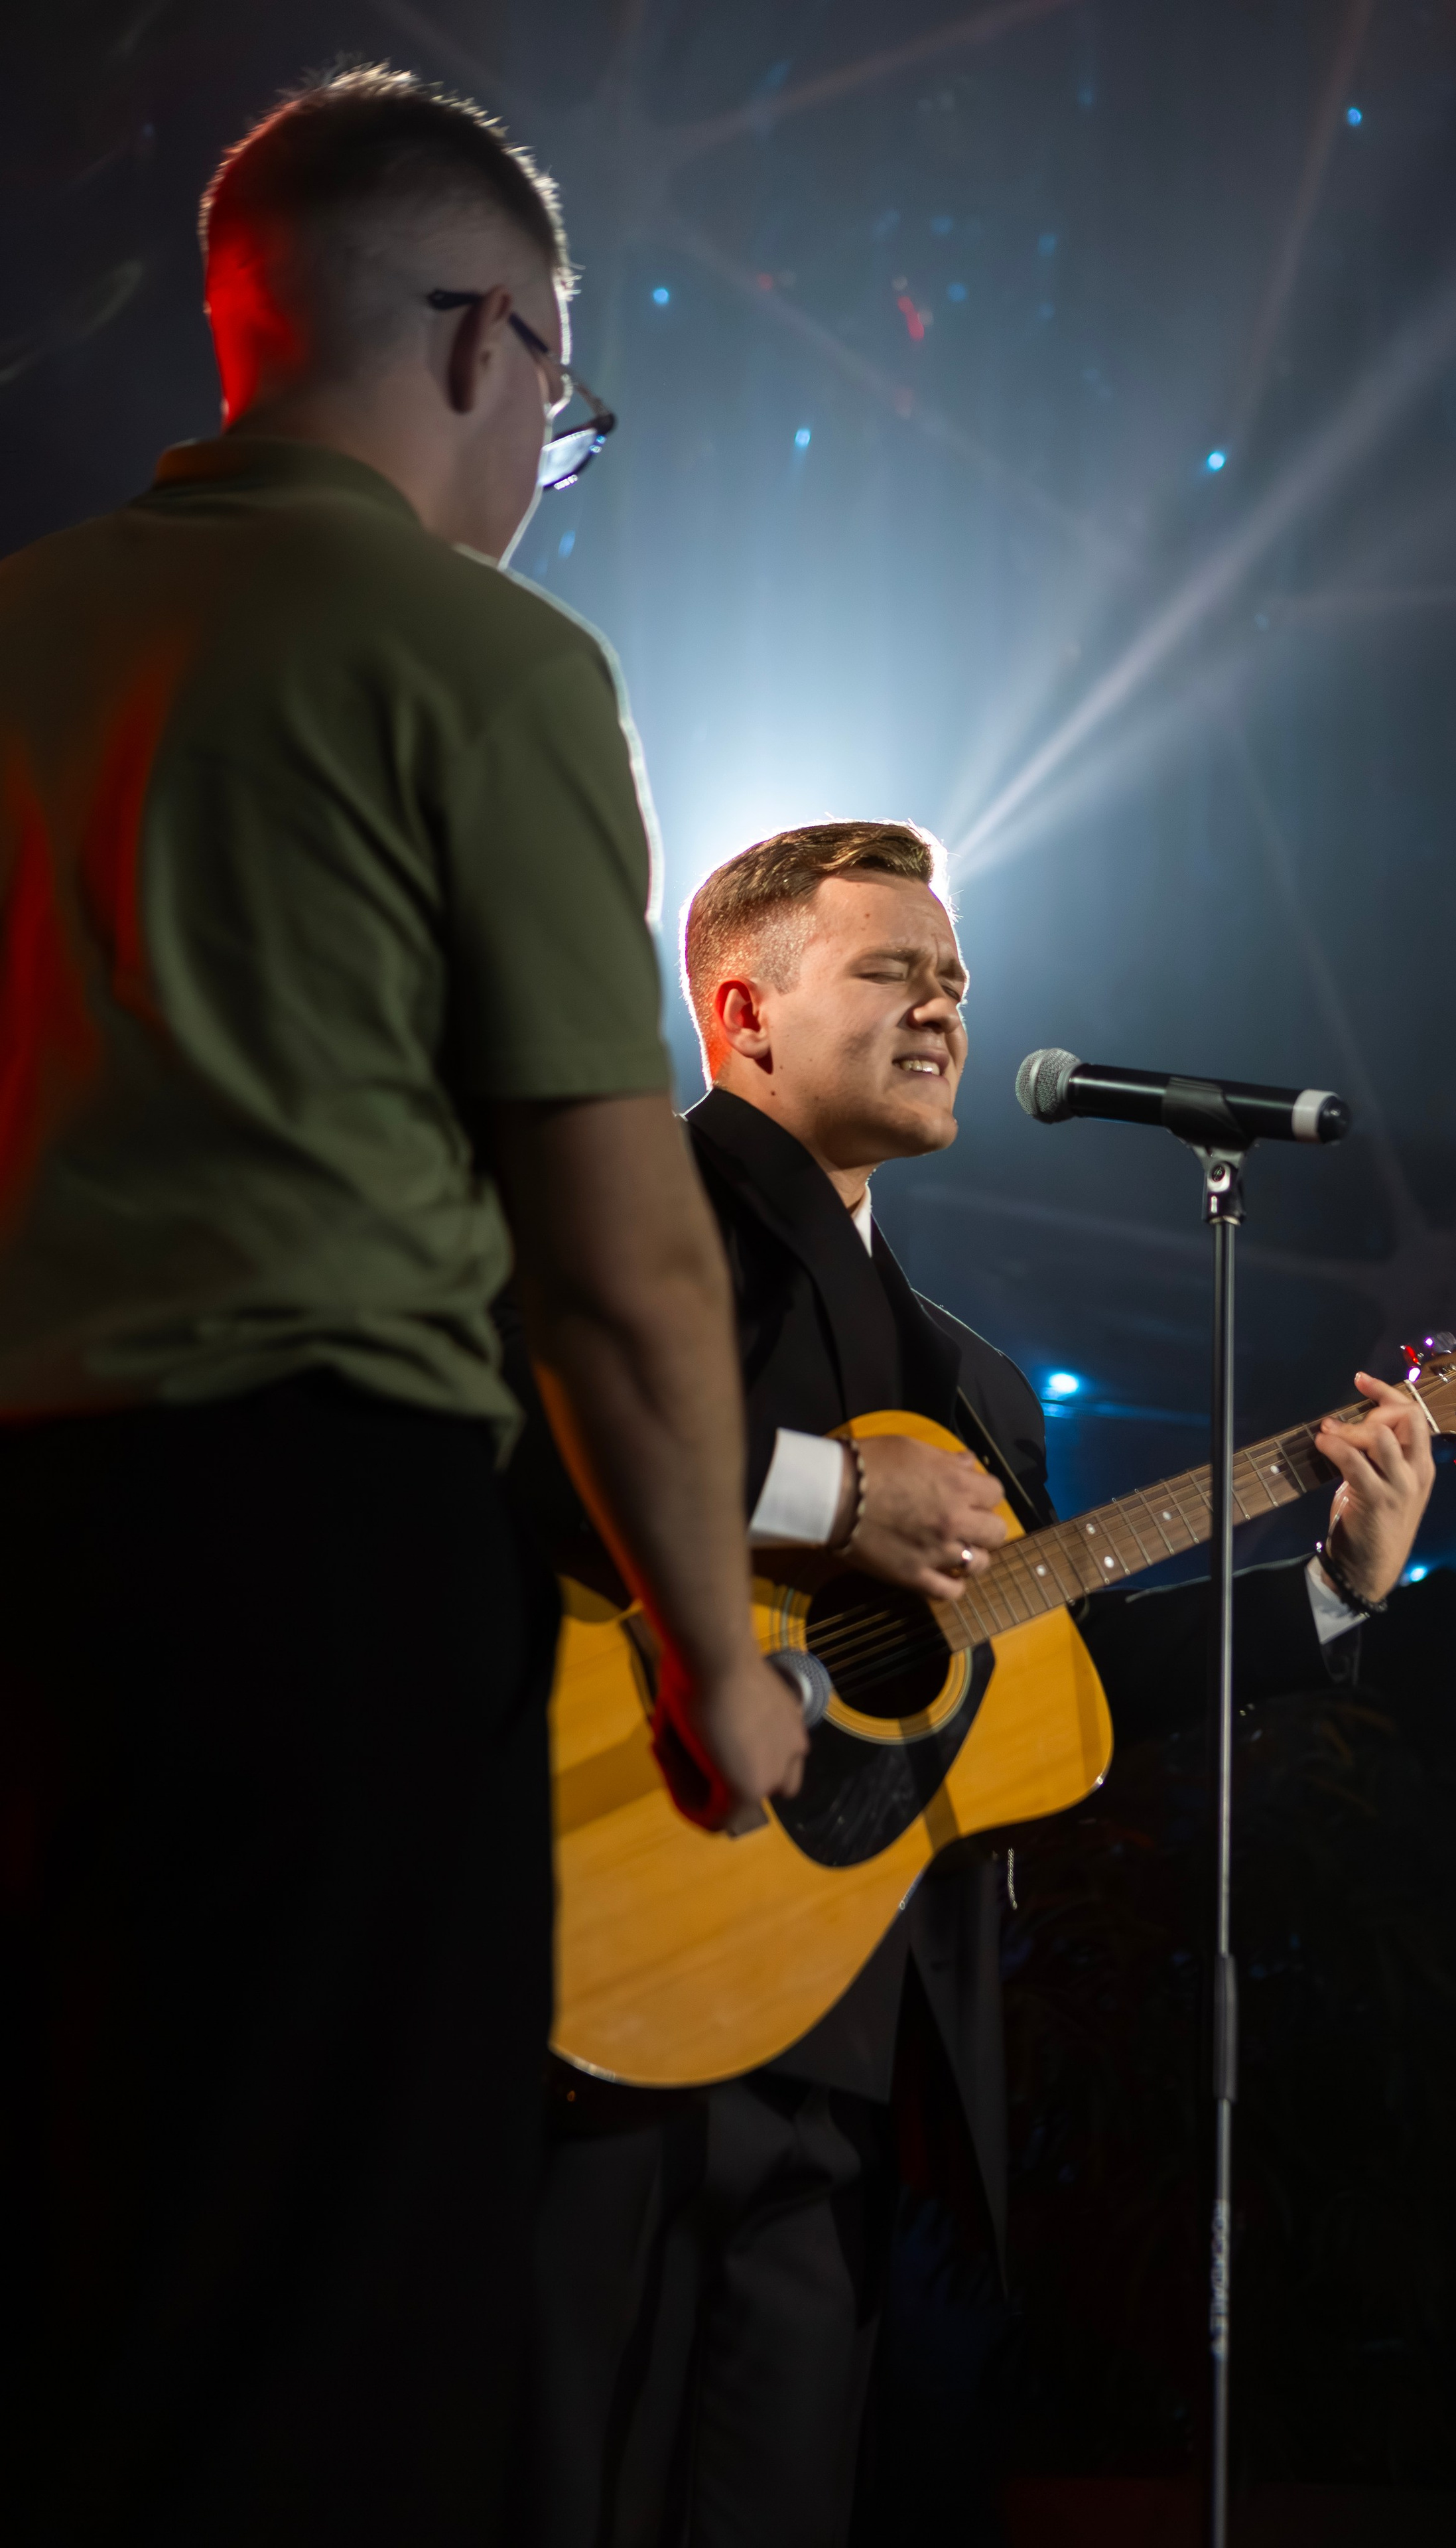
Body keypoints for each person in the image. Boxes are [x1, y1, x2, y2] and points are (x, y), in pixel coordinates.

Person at [0, 66, 804, 2548]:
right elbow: (620, 1253)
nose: (541, 454)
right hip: (321, 1569)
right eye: (557, 397)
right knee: (340, 2359)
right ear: (481, 340)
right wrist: (713, 1657)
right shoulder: (483, 666)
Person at [509, 821, 1435, 2548]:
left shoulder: (981, 1390)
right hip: (602, 2003)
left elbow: (1040, 1688)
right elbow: (512, 1440)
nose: (942, 1005)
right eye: (891, 971)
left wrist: (1328, 1589)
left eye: (955, 978)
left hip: (848, 2059)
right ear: (742, 1011)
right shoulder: (622, 1217)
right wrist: (837, 1496)